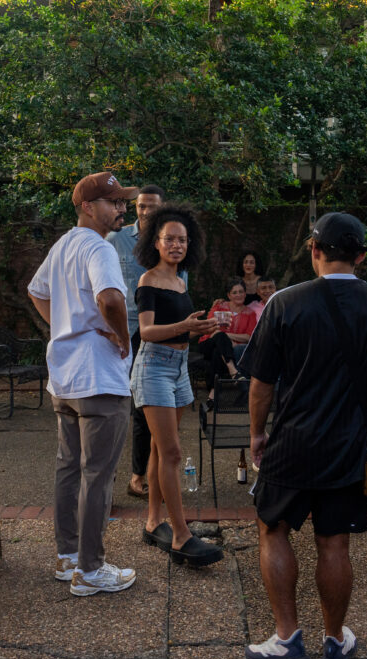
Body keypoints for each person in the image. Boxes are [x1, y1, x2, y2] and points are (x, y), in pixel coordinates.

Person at [239, 212, 367, 659]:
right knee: (334, 542)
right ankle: (334, 641)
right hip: (353, 445)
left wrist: (257, 434)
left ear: (314, 250)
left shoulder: (284, 303)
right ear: (361, 257)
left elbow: (261, 383)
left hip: (292, 441)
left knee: (273, 528)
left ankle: (287, 639)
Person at [27, 171, 138, 596]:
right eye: (114, 202)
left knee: (69, 467)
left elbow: (36, 291)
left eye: (123, 202)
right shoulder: (99, 247)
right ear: (88, 207)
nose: (122, 209)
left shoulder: (62, 245)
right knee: (98, 474)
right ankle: (90, 570)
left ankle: (67, 557)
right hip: (98, 377)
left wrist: (64, 326)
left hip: (65, 377)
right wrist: (122, 337)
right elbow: (110, 298)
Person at [130, 203, 224, 567]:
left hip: (179, 368)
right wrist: (185, 326)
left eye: (182, 240)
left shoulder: (181, 281)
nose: (176, 245)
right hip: (153, 367)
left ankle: (154, 522)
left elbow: (181, 327)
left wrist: (201, 328)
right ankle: (181, 536)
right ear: (155, 242)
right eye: (169, 239)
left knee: (160, 449)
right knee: (171, 453)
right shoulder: (148, 281)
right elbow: (147, 331)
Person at [106, 184, 176, 500]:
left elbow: (180, 286)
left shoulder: (172, 241)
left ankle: (147, 475)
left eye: (151, 206)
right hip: (125, 330)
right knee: (123, 405)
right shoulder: (116, 239)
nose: (145, 211)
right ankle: (121, 479)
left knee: (152, 407)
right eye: (141, 206)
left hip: (161, 332)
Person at [198, 278, 257, 401]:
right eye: (234, 292)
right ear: (229, 295)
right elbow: (210, 329)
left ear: (245, 294)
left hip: (225, 350)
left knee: (218, 352)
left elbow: (248, 337)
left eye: (241, 292)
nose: (238, 295)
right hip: (208, 343)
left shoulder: (250, 313)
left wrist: (226, 336)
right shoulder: (219, 307)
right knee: (220, 338)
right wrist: (225, 338)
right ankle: (234, 372)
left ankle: (212, 395)